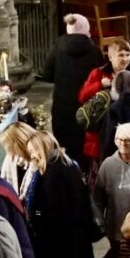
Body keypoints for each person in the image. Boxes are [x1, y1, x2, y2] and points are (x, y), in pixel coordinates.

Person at [47, 14, 107, 158]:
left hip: (62, 107)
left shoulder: (58, 47)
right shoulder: (94, 51)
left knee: (65, 148)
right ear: (86, 28)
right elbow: (101, 77)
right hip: (87, 108)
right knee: (84, 149)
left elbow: (47, 74)